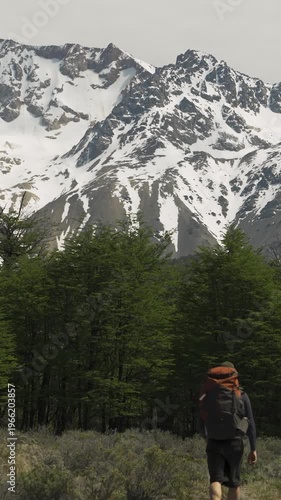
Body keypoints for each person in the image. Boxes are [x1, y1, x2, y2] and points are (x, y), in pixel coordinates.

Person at [199, 361, 257, 500]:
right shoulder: (241, 394)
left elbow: (201, 419)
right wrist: (253, 448)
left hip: (213, 441)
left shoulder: (207, 395)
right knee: (234, 483)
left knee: (215, 480)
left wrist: (207, 438)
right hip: (235, 442)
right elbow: (250, 423)